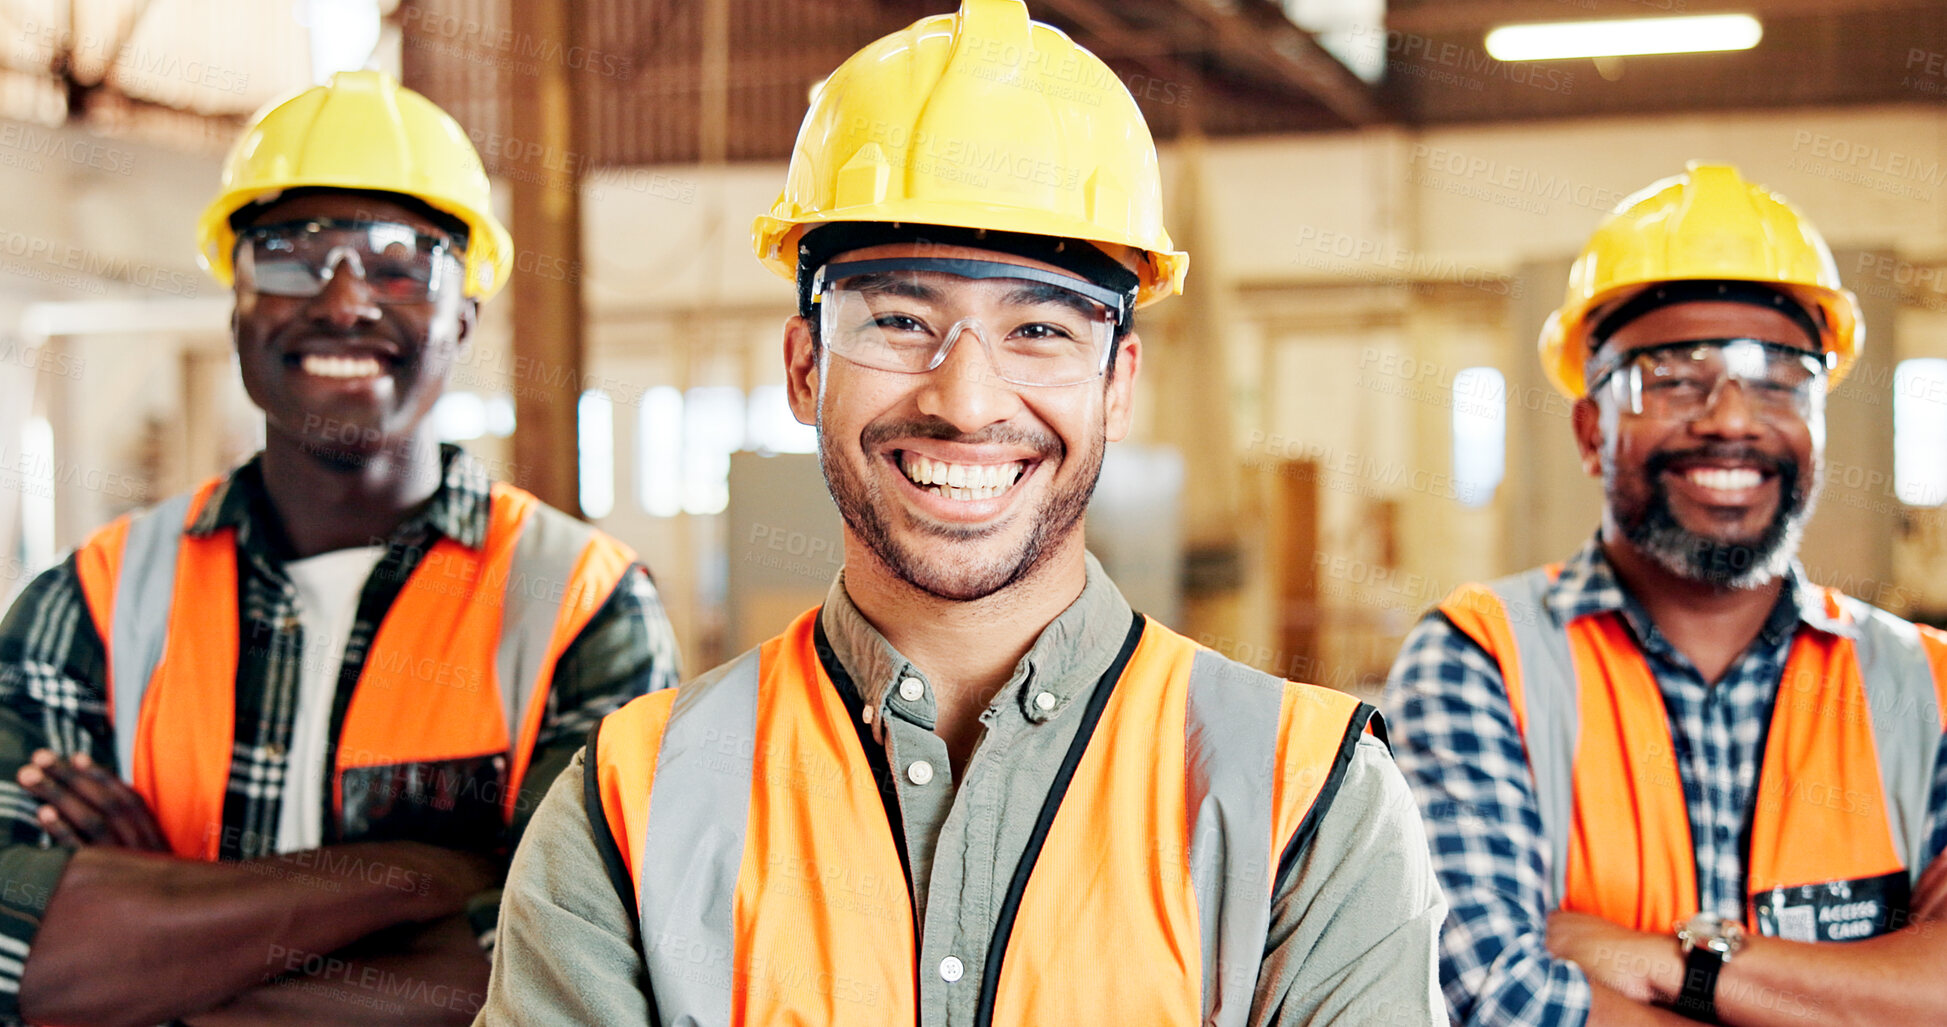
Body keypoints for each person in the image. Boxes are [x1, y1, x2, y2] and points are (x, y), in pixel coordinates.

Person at [477, 1, 1445, 1024]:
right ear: (805, 366)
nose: (966, 399)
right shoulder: (630, 803)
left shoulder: (1313, 802)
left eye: (1038, 327)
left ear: (1118, 382)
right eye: (899, 319)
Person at [0, 71, 681, 1026]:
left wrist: (162, 928)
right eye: (288, 254)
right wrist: (429, 872)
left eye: (402, 261)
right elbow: (24, 961)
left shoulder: (582, 603)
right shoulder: (92, 602)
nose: (345, 299)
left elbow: (573, 966)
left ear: (463, 318)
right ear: (238, 304)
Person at [1384, 161, 1947, 1026]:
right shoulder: (1478, 658)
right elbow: (1488, 998)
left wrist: (1666, 962)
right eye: (1673, 378)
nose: (1729, 418)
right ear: (1587, 427)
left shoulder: (1929, 688)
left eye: (1778, 379)